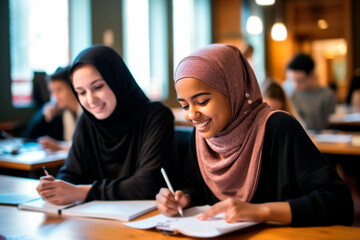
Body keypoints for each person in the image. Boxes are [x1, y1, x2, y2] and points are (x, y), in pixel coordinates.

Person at [156, 44, 353, 226]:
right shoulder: (200, 138)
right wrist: (183, 199)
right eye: (184, 105)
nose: (192, 114)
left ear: (233, 90)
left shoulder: (278, 128)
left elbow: (339, 203)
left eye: (202, 101)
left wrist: (261, 211)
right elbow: (197, 190)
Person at [36, 44, 177, 205]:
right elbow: (71, 173)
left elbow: (148, 184)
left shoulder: (155, 115)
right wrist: (54, 188)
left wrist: (83, 192)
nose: (90, 100)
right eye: (81, 92)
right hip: (95, 222)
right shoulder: (88, 120)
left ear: (116, 80)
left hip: (145, 220)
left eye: (98, 87)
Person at [23, 66, 82, 152]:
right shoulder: (63, 113)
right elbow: (28, 137)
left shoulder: (87, 110)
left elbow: (85, 146)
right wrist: (42, 113)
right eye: (52, 92)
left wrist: (58, 146)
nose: (55, 97)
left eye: (59, 90)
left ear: (73, 87)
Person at [286, 53, 336, 131]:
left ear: (311, 74)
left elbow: (328, 124)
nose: (295, 85)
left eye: (300, 81)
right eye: (292, 80)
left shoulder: (327, 95)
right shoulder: (291, 94)